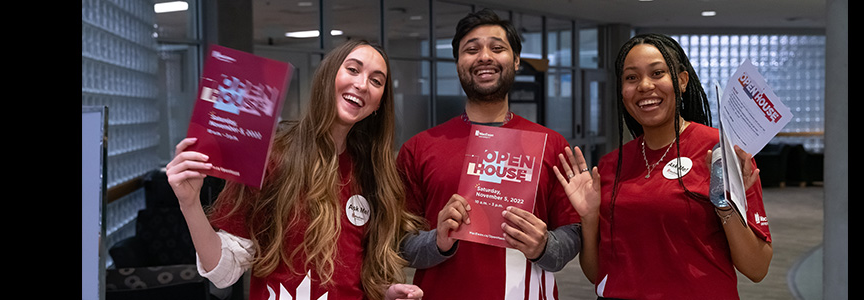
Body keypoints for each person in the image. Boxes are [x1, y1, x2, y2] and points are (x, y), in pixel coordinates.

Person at [166, 40, 425, 300]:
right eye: (353, 70)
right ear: (327, 77)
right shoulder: (272, 158)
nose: (362, 84)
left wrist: (386, 292)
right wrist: (189, 204)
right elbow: (224, 273)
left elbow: (356, 273)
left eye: (377, 81)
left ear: (379, 104)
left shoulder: (372, 174)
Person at [553, 33, 773, 299]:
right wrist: (589, 219)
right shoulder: (612, 165)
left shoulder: (721, 153)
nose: (645, 86)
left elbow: (757, 268)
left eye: (657, 73)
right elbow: (597, 272)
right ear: (622, 92)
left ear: (681, 81)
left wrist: (725, 205)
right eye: (631, 77)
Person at [397, 9, 581, 300]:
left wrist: (545, 246)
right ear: (458, 62)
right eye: (471, 49)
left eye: (497, 48)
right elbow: (400, 243)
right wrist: (438, 241)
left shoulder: (551, 144)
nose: (484, 57)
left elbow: (572, 233)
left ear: (517, 61)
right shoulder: (419, 148)